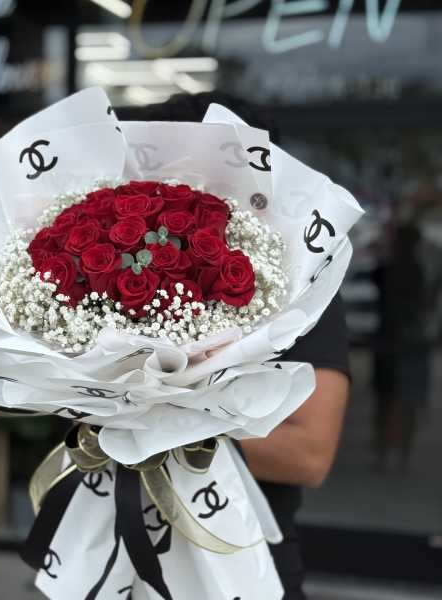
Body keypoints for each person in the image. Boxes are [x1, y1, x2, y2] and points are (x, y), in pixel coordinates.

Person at [118, 93, 351, 600]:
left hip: (245, 567)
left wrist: (147, 426)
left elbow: (309, 455)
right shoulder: (119, 275)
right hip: (120, 563)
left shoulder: (298, 289)